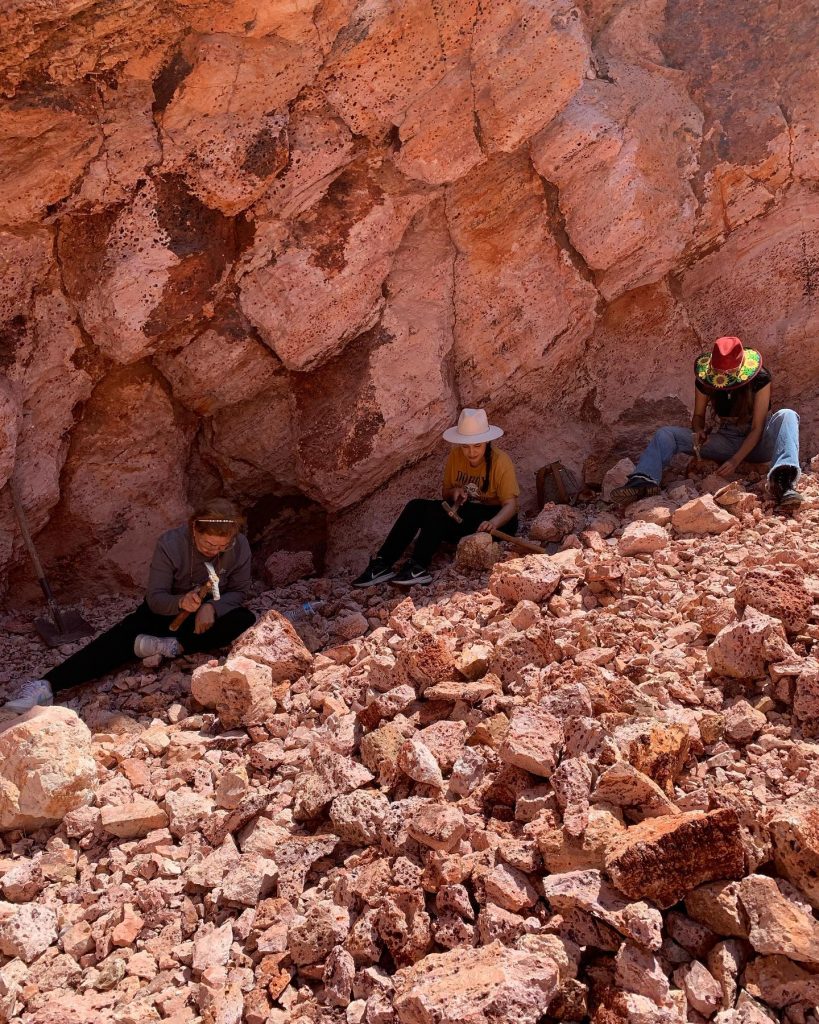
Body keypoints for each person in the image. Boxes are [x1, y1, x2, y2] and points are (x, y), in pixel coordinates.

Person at [4, 498, 256, 712]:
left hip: (205, 613)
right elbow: (156, 598)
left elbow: (239, 590)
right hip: (165, 611)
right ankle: (46, 685)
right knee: (116, 642)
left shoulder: (239, 546)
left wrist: (212, 608)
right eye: (208, 544)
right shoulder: (170, 544)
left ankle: (172, 646)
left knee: (243, 619)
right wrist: (180, 601)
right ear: (194, 529)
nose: (214, 551)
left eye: (222, 546)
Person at [611, 336, 802, 509]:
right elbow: (698, 415)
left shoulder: (760, 378)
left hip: (759, 442)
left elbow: (757, 428)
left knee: (787, 415)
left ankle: (783, 482)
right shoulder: (706, 380)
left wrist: (735, 461)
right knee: (666, 434)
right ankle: (644, 479)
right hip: (727, 440)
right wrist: (698, 431)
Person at [353, 408, 520, 588]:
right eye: (466, 446)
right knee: (416, 506)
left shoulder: (500, 461)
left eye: (477, 445)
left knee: (438, 513)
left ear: (486, 441)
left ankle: (418, 566)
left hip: (496, 521)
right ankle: (382, 563)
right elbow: (445, 493)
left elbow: (511, 505)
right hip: (466, 514)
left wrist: (493, 523)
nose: (471, 452)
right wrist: (454, 493)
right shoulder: (456, 456)